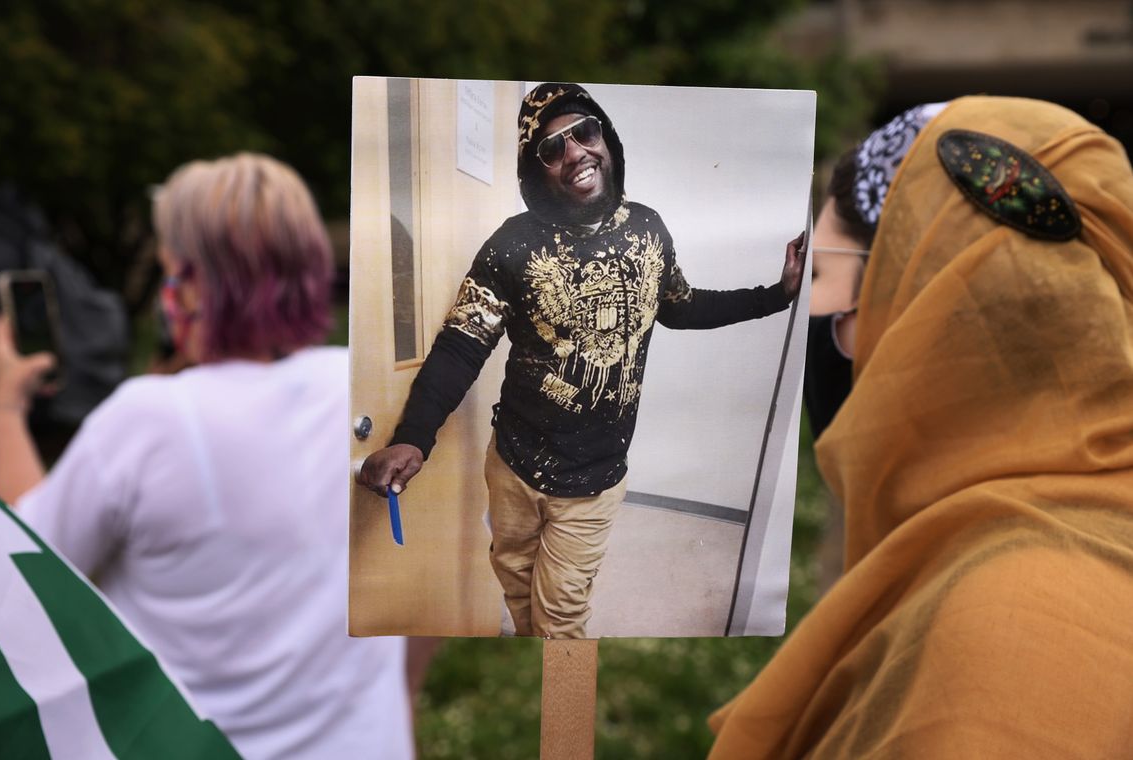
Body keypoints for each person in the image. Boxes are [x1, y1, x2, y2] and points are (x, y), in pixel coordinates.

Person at [709, 96, 1133, 758]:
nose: (797, 308)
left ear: (913, 303)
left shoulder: (1011, 629)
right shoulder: (1052, 550)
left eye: (819, 272)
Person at [0, 154, 415, 759]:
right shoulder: (375, 394)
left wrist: (5, 409)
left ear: (191, 284)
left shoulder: (146, 422)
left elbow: (30, 581)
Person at [357, 82, 806, 639]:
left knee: (560, 619)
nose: (574, 153)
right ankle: (536, 696)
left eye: (584, 133)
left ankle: (564, 722)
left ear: (606, 140)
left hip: (593, 478)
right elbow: (461, 344)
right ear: (536, 168)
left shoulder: (648, 230)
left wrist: (775, 295)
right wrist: (413, 436)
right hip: (513, 463)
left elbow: (681, 308)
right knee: (517, 586)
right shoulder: (511, 247)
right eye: (552, 148)